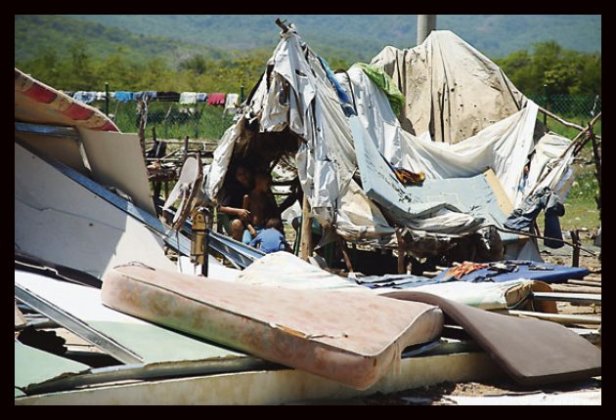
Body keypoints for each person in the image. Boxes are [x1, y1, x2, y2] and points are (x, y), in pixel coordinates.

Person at [241, 171, 281, 244]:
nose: (269, 186)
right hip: (250, 228)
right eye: (267, 183)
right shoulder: (248, 197)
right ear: (259, 182)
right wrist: (251, 229)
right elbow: (244, 218)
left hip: (263, 228)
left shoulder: (266, 197)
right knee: (246, 242)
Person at [218, 164, 253, 241]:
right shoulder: (233, 189)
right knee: (237, 224)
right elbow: (220, 208)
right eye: (240, 175)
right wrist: (238, 211)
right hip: (233, 220)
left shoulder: (254, 187)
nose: (244, 176)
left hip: (250, 220)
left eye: (245, 173)